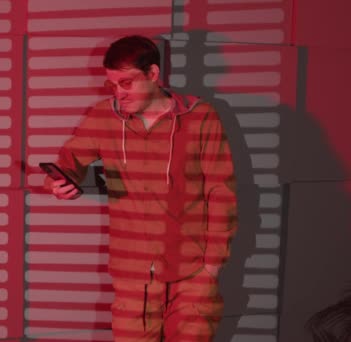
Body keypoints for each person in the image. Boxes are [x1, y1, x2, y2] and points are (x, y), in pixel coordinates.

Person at [44, 35, 238, 341]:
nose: (118, 92)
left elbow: (221, 192)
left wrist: (212, 266)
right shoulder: (102, 117)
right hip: (131, 273)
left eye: (126, 83)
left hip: (191, 271)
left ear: (152, 74)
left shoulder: (200, 117)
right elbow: (70, 160)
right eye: (113, 85)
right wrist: (59, 182)